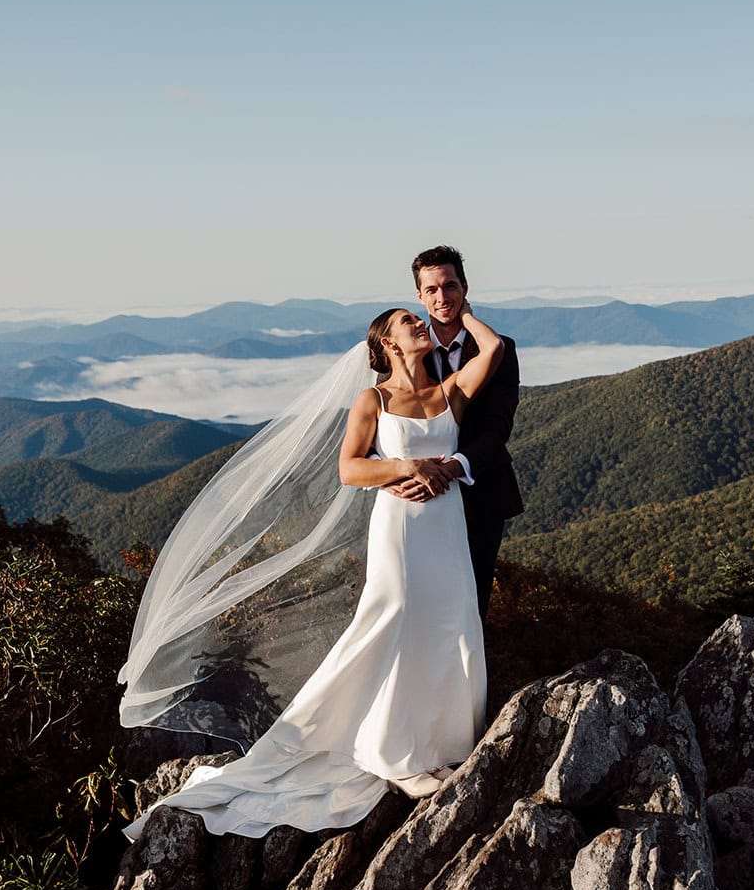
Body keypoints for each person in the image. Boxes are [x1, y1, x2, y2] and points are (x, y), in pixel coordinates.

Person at [122, 300, 508, 839]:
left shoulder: (449, 393)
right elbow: (350, 468)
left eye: (422, 318)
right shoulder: (372, 399)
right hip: (400, 527)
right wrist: (405, 465)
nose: (423, 322)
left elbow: (493, 348)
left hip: (447, 528)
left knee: (449, 623)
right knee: (394, 618)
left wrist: (457, 309)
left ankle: (438, 745)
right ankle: (391, 752)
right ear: (389, 344)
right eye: (410, 321)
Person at [381, 246, 523, 619]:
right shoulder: (406, 350)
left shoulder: (500, 349)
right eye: (432, 290)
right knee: (416, 604)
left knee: (470, 605)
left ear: (464, 287)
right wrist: (395, 473)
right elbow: (384, 430)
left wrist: (451, 468)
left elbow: (497, 429)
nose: (442, 298)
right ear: (419, 295)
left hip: (480, 494)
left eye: (450, 286)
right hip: (416, 502)